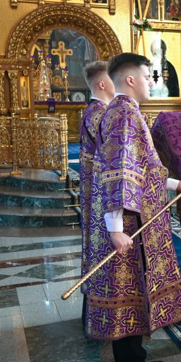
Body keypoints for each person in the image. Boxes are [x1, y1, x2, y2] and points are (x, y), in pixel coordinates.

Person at [89, 53, 181, 362]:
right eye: (148, 76)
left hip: (136, 220)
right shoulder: (123, 114)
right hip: (131, 225)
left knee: (134, 293)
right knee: (127, 293)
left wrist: (175, 183)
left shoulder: (127, 112)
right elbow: (118, 173)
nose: (152, 82)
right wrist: (116, 229)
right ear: (131, 79)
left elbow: (144, 169)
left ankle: (133, 360)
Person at [79, 61, 115, 327]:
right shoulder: (100, 115)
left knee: (97, 252)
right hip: (104, 196)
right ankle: (99, 316)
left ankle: (91, 312)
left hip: (97, 193)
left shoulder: (93, 112)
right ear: (102, 84)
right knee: (103, 253)